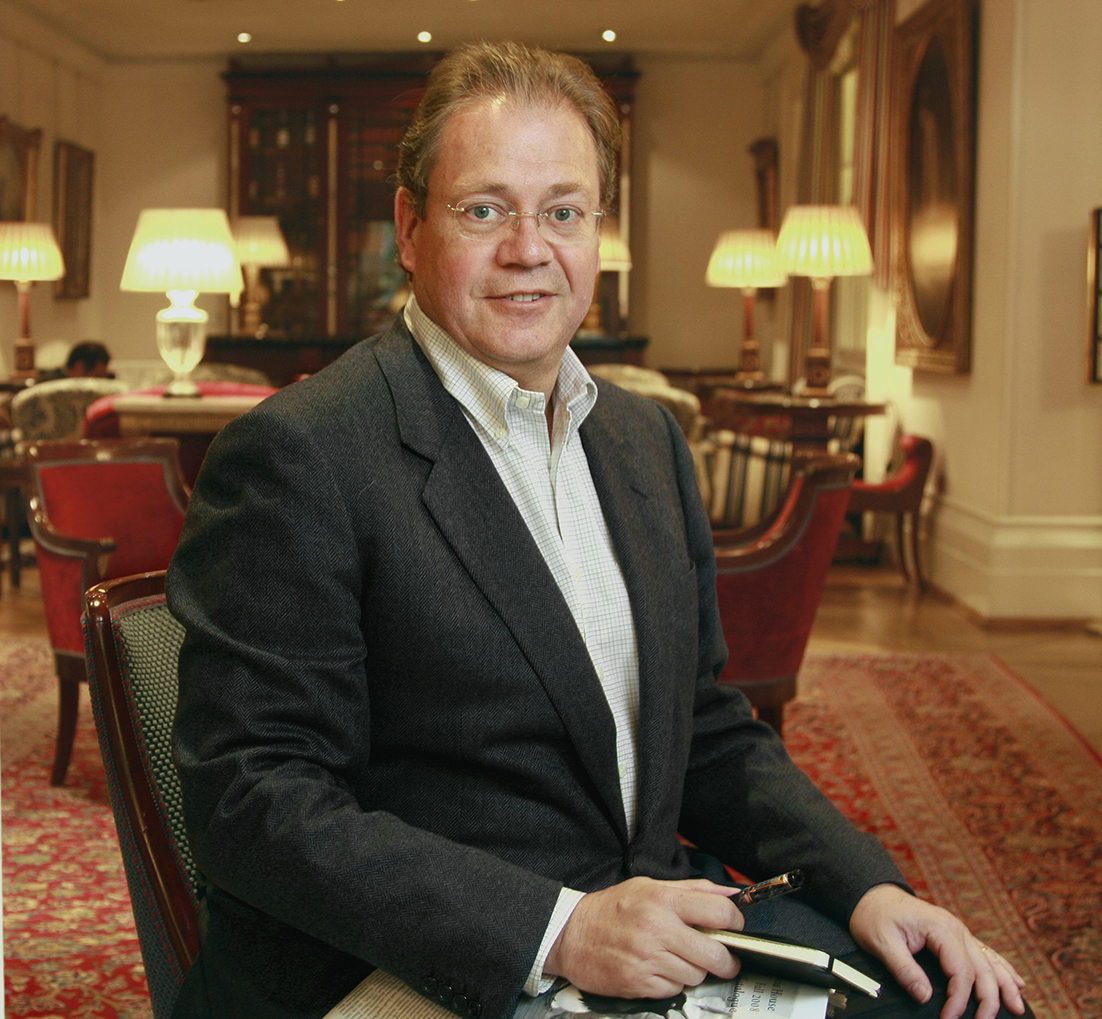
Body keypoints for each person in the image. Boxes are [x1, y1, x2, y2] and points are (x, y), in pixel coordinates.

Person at [167, 41, 1029, 1019]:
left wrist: (866, 884)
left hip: (654, 926)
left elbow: (704, 730)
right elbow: (254, 799)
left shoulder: (642, 440)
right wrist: (559, 927)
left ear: (597, 233)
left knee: (972, 1006)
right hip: (427, 964)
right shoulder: (301, 453)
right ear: (410, 227)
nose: (528, 248)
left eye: (564, 212)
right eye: (483, 209)